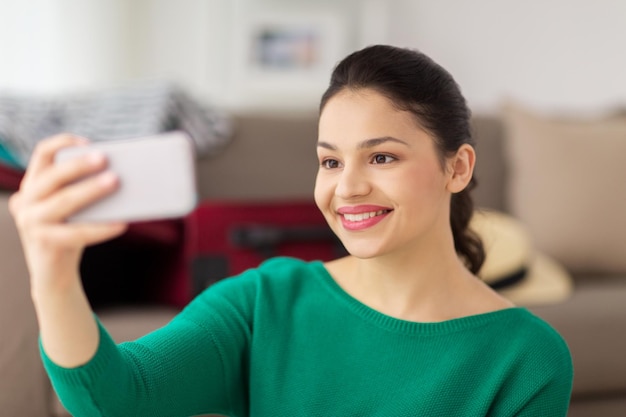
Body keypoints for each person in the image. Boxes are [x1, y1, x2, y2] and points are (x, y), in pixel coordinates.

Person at [9, 44, 573, 416]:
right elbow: (114, 399)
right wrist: (52, 276)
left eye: (381, 159)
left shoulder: (524, 359)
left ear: (459, 167)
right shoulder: (265, 301)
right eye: (330, 161)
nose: (346, 188)